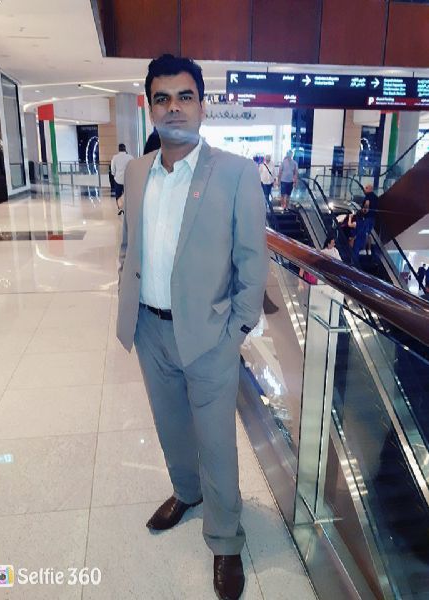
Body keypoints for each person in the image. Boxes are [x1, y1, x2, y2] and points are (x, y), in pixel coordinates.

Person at [116, 54, 268, 600]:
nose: (174, 108)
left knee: (217, 443)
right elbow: (129, 244)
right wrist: (128, 296)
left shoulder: (236, 173)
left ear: (202, 106)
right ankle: (186, 491)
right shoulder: (137, 171)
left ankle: (225, 539)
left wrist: (236, 332)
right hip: (150, 330)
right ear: (150, 107)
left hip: (209, 336)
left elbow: (252, 261)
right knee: (171, 427)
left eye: (185, 96)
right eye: (162, 98)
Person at [111, 143, 133, 215]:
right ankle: (128, 209)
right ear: (125, 149)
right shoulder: (130, 157)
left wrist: (114, 174)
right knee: (127, 194)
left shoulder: (115, 157)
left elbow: (112, 169)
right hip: (128, 179)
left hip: (118, 179)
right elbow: (133, 167)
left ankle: (120, 209)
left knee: (118, 194)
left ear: (119, 149)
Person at [363, 184, 379, 255]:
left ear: (370, 189)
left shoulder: (368, 196)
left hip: (367, 217)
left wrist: (364, 211)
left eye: (366, 188)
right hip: (373, 218)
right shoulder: (376, 197)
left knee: (364, 233)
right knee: (368, 234)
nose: (364, 189)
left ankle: (363, 249)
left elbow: (367, 205)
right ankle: (369, 250)